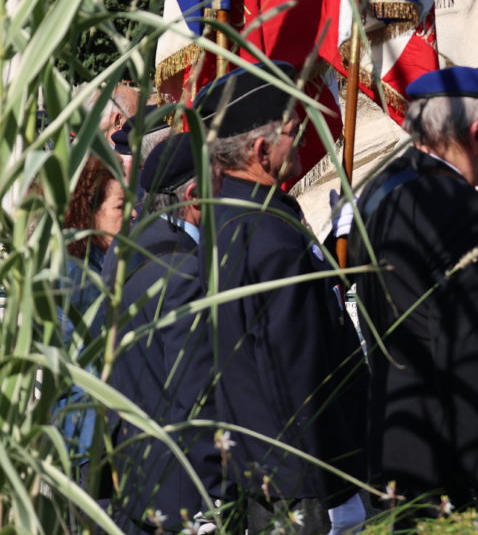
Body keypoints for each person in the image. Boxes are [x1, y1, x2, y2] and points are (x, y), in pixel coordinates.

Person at [346, 66, 478, 527]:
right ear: (476, 132)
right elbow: (470, 360)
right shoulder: (463, 211)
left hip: (400, 444)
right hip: (457, 467)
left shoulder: (380, 188)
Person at [196, 62, 367, 531]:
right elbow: (297, 373)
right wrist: (316, 490)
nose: (302, 137)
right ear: (259, 150)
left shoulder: (234, 220)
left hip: (271, 476)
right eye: (292, 130)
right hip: (311, 480)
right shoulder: (269, 237)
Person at [106, 132, 211, 533]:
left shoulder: (126, 249)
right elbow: (193, 395)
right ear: (195, 194)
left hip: (132, 478)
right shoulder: (184, 272)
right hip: (179, 494)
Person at [57, 156, 128, 486]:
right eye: (119, 207)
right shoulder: (76, 275)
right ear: (91, 211)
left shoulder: (102, 263)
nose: (131, 216)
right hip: (89, 435)